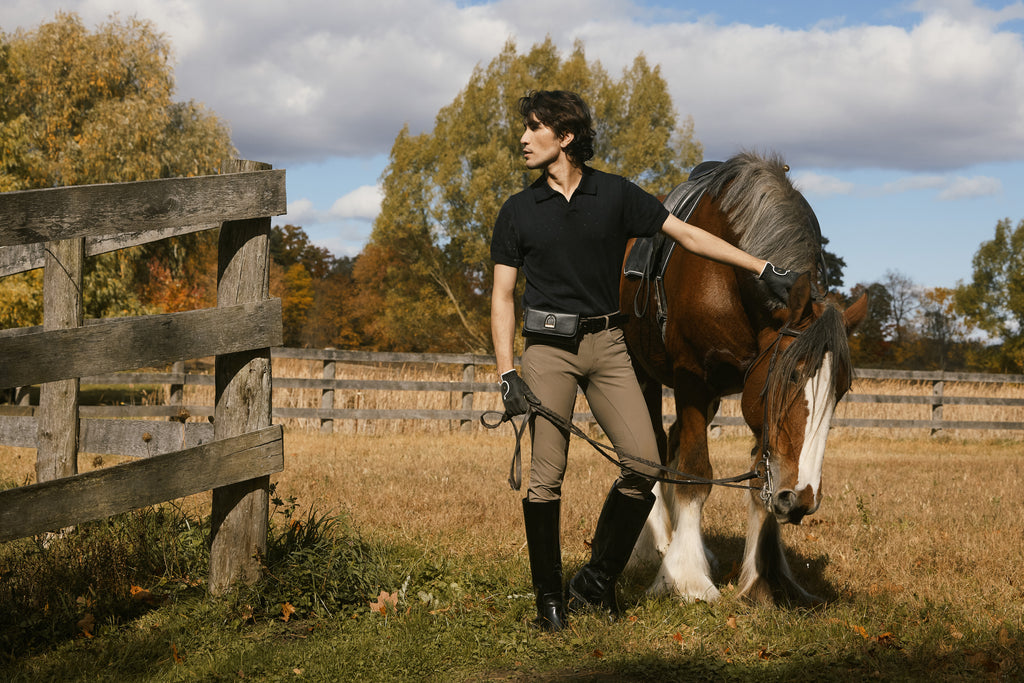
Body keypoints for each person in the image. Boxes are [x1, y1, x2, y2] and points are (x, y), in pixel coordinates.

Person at [490, 90, 797, 631]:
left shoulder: (615, 195)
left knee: (645, 463)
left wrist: (761, 265)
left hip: (609, 346)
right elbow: (502, 296)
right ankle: (550, 602)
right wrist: (507, 372)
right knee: (546, 477)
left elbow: (689, 235)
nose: (522, 137)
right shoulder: (517, 212)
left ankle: (597, 579)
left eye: (534, 127)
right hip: (547, 350)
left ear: (565, 138)